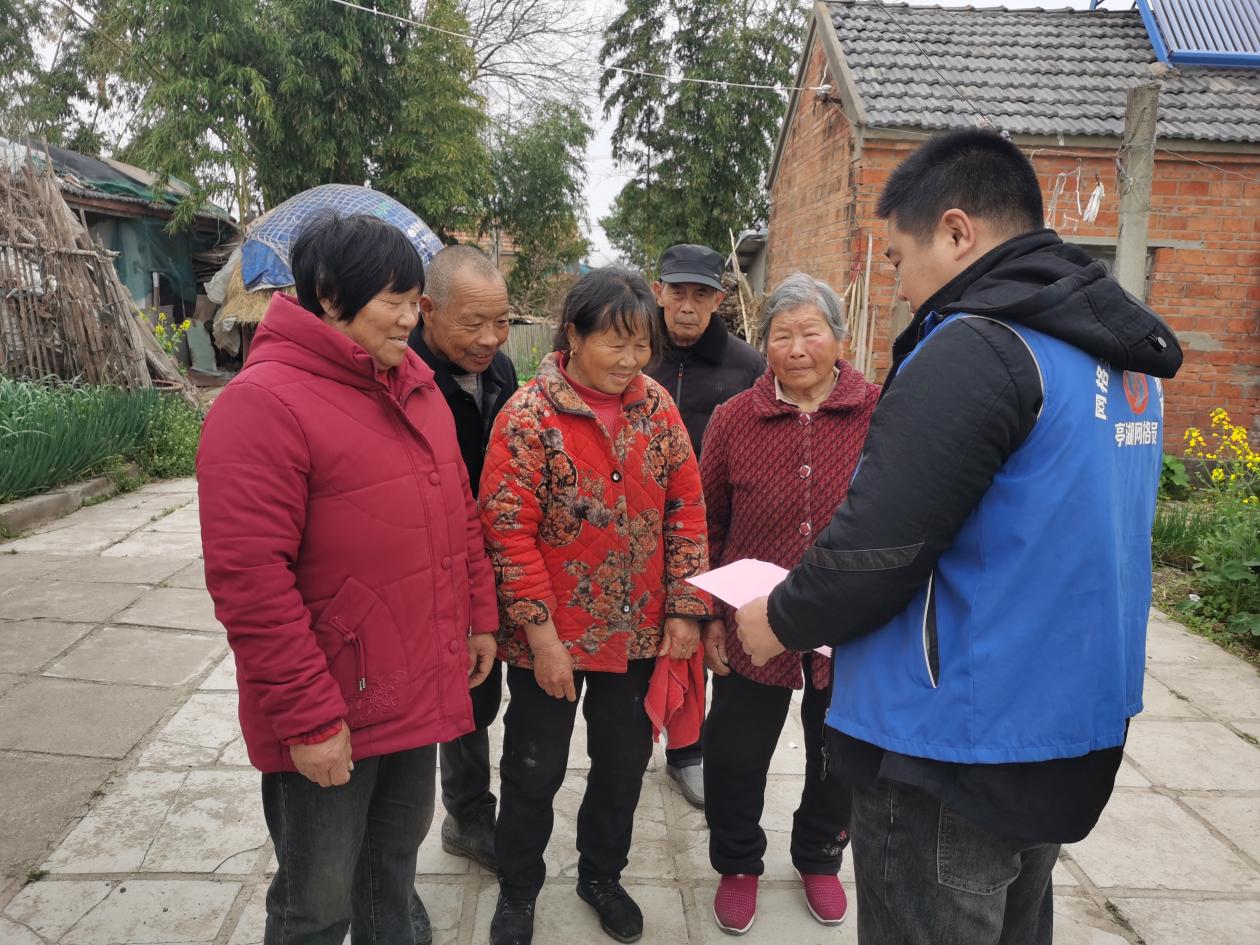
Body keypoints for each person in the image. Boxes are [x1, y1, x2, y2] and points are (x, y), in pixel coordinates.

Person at [734, 129, 1183, 945]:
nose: (902, 286)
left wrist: (780, 619)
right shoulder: (1118, 362)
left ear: (957, 232)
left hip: (950, 745)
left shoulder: (980, 346)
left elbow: (879, 546)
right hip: (1066, 724)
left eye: (900, 259)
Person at [197, 213, 499, 945]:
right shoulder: (262, 404)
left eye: (412, 298)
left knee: (390, 877)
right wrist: (307, 717)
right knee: (317, 900)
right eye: (391, 299)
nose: (408, 316)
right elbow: (250, 583)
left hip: (411, 681)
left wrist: (479, 614)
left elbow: (458, 511)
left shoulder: (415, 386)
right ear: (328, 295)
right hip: (331, 701)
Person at [480, 267, 712, 945]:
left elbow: (686, 509)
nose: (630, 360)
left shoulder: (658, 408)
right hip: (545, 636)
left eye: (642, 345)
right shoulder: (528, 415)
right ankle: (518, 887)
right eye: (616, 343)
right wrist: (544, 638)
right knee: (534, 768)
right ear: (573, 334)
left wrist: (685, 607)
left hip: (637, 634)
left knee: (620, 766)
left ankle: (600, 874)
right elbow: (507, 528)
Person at [700, 272, 879, 935]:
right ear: (763, 342)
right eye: (782, 334)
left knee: (838, 752)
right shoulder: (733, 419)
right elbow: (706, 522)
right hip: (753, 618)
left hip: (849, 622)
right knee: (736, 750)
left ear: (838, 338)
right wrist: (710, 615)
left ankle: (820, 854)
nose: (797, 347)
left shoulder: (880, 412)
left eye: (812, 332)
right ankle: (738, 861)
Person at [408, 244, 517, 871]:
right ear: (427, 310)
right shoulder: (404, 374)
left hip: (484, 564)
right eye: (472, 323)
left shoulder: (499, 373)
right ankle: (400, 837)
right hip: (423, 564)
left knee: (476, 693)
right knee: (418, 705)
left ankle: (468, 813)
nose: (490, 338)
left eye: (500, 322)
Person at [646, 242, 764, 808]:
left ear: (720, 298)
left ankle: (689, 752)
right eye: (677, 293)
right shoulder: (636, 351)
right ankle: (642, 734)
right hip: (642, 528)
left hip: (715, 528)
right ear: (658, 292)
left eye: (701, 295)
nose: (687, 307)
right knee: (659, 640)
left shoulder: (745, 366)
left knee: (709, 645)